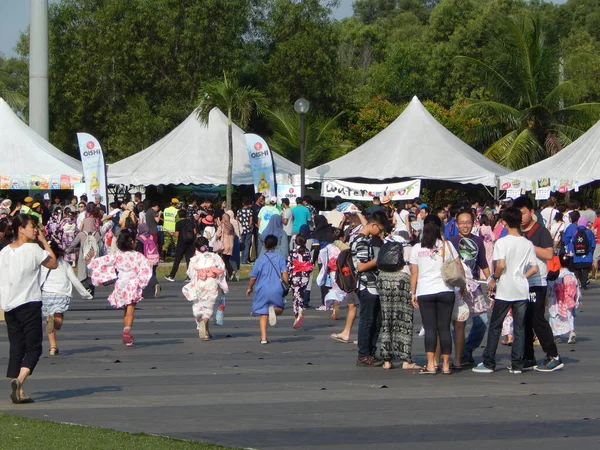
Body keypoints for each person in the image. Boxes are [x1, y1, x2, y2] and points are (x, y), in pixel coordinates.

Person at [473, 207, 538, 374]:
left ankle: (489, 362)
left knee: (495, 325)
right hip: (521, 289)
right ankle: (517, 364)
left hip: (505, 289)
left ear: (505, 222)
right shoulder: (527, 243)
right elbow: (535, 268)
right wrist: (523, 275)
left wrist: (494, 278)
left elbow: (501, 265)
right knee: (520, 327)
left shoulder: (502, 243)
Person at [0, 214, 57, 403]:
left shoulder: (5, 252)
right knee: (34, 348)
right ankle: (20, 379)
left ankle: (19, 391)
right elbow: (53, 263)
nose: (35, 230)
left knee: (17, 347)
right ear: (21, 229)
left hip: (9, 305)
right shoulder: (33, 249)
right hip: (29, 303)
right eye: (32, 226)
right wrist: (43, 241)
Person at [513, 196, 563, 372]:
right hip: (521, 282)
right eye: (518, 213)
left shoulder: (540, 231)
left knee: (537, 318)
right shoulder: (517, 231)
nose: (521, 216)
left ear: (531, 212)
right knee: (523, 320)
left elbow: (549, 254)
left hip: (537, 281)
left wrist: (528, 246)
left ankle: (553, 355)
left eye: (523, 212)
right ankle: (529, 357)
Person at [409, 214, 462, 375]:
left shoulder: (417, 248)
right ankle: (446, 364)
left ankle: (431, 364)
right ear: (440, 227)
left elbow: (414, 273)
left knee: (430, 328)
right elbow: (458, 265)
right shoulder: (447, 245)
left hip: (425, 291)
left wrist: (413, 292)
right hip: (446, 290)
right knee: (444, 328)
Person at [88, 229, 152, 346]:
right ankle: (127, 330)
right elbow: (146, 268)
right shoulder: (138, 256)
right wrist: (142, 282)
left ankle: (126, 332)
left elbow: (103, 261)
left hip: (121, 284)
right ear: (132, 242)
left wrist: (91, 262)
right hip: (132, 284)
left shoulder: (117, 255)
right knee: (130, 309)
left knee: (125, 308)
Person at [449, 209, 491, 368]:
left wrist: (491, 280)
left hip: (474, 285)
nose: (465, 225)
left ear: (473, 223)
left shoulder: (478, 241)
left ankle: (467, 349)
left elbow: (483, 264)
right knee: (459, 322)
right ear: (456, 223)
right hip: (457, 286)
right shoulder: (451, 241)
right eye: (462, 223)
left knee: (482, 321)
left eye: (468, 222)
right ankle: (460, 355)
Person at [377, 234, 421, 371]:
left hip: (384, 280)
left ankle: (386, 360)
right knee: (404, 321)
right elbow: (414, 270)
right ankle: (405, 360)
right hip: (402, 280)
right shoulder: (409, 247)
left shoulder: (385, 245)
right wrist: (414, 291)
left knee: (386, 320)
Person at [41, 241, 93, 356]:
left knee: (49, 319)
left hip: (46, 294)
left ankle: (53, 347)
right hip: (61, 293)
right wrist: (85, 293)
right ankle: (54, 322)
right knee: (58, 319)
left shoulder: (43, 263)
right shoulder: (64, 264)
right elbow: (74, 280)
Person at [353, 211, 387, 367]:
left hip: (373, 285)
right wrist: (379, 260)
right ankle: (363, 354)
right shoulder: (361, 241)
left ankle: (371, 352)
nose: (380, 233)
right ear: (373, 225)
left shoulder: (366, 239)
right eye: (379, 229)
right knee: (367, 320)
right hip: (366, 285)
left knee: (377, 320)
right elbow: (360, 266)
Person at [182, 237, 228, 340]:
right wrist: (222, 284)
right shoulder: (215, 257)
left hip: (199, 283)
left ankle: (206, 331)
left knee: (200, 304)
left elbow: (190, 273)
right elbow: (222, 269)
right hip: (211, 283)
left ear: (196, 248)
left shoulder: (194, 260)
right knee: (209, 306)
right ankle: (205, 321)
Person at [246, 234, 288, 344]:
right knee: (280, 308)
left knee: (263, 314)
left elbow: (253, 277)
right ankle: (273, 310)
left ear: (264, 245)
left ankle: (264, 338)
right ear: (276, 245)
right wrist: (286, 285)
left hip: (262, 288)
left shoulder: (260, 260)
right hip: (276, 288)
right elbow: (285, 272)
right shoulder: (280, 258)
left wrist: (249, 288)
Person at [548, 254, 580, 344]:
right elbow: (576, 288)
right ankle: (571, 332)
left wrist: (549, 296)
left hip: (558, 299)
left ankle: (557, 335)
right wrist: (576, 299)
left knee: (555, 316)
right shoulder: (572, 275)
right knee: (569, 316)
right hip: (569, 298)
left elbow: (551, 287)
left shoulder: (558, 275)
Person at [66, 217, 101, 295]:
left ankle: (86, 291)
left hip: (83, 257)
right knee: (91, 275)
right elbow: (100, 245)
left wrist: (68, 251)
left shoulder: (81, 234)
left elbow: (73, 244)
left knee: (83, 275)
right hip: (94, 257)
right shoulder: (97, 234)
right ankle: (91, 291)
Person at [287, 234, 313, 328]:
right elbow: (310, 265)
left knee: (295, 296)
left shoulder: (293, 252)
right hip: (304, 276)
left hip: (295, 276)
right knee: (301, 294)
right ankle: (301, 311)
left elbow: (289, 265)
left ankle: (296, 316)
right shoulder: (307, 252)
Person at [165, 210, 196, 282]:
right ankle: (189, 276)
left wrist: (172, 233)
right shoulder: (190, 222)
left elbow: (177, 234)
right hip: (190, 244)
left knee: (177, 260)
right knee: (189, 260)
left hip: (181, 244)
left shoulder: (178, 223)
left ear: (179, 216)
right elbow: (194, 232)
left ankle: (172, 275)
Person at [566, 217, 595, 289]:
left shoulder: (575, 232)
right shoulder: (589, 232)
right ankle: (584, 284)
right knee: (585, 269)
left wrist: (572, 252)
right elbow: (593, 244)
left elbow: (572, 242)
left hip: (576, 256)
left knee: (577, 269)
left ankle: (575, 283)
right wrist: (590, 252)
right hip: (587, 256)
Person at [135, 223, 161, 298]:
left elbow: (139, 251)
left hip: (145, 259)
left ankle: (145, 291)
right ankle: (154, 288)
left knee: (143, 276)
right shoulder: (152, 237)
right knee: (152, 273)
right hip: (154, 258)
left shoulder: (139, 239)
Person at [215, 212, 235, 279]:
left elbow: (218, 234)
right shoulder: (231, 226)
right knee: (226, 259)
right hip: (231, 245)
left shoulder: (222, 225)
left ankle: (231, 271)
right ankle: (230, 273)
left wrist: (216, 239)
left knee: (224, 260)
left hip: (224, 245)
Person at [238, 199, 254, 264]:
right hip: (248, 229)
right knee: (247, 244)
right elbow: (251, 221)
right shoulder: (250, 211)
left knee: (242, 244)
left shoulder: (239, 211)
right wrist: (250, 226)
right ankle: (245, 259)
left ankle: (241, 259)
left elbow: (237, 219)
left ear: (242, 204)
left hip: (241, 229)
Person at [251, 194, 265, 260]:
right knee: (257, 242)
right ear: (258, 198)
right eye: (261, 197)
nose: (262, 198)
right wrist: (255, 224)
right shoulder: (253, 207)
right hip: (256, 226)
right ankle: (257, 256)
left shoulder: (263, 206)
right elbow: (252, 217)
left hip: (263, 226)